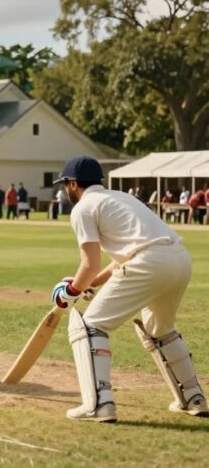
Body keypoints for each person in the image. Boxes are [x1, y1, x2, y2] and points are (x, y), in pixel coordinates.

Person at [49, 156, 207, 422]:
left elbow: (89, 263)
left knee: (89, 326)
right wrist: (89, 285)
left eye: (66, 185)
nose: (66, 190)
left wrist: (71, 292)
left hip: (150, 262)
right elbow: (122, 256)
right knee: (160, 331)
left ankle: (98, 405)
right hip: (179, 258)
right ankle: (194, 398)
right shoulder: (121, 197)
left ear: (73, 184)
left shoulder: (83, 208)